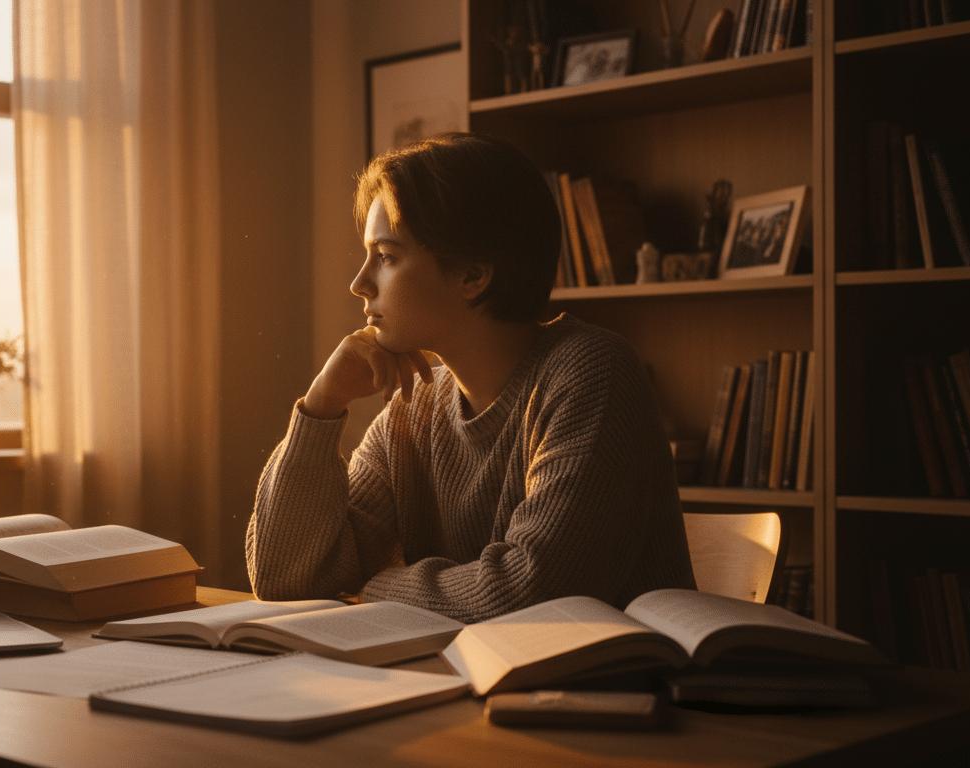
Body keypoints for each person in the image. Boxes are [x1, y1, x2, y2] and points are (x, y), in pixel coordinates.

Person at [245, 132, 695, 624]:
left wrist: (374, 586)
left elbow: (535, 593)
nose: (359, 283)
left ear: (473, 276)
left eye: (386, 256)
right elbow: (285, 579)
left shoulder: (591, 373)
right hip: (458, 669)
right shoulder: (412, 411)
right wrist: (321, 406)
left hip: (609, 672)